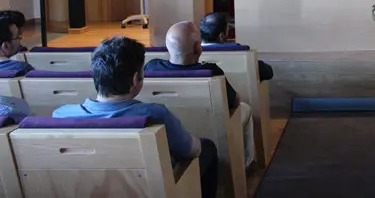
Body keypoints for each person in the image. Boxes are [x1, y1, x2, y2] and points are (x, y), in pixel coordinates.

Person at [53, 36, 218, 198]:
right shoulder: (154, 114)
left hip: (81, 189)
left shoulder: (60, 116)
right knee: (207, 147)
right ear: (135, 80)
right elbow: (191, 149)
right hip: (150, 189)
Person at [145, 21, 256, 168]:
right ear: (198, 47)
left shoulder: (151, 67)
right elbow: (234, 102)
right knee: (245, 108)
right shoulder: (211, 71)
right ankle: (245, 165)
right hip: (213, 127)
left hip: (169, 133)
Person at [199, 12, 273, 82]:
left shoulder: (193, 56)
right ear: (221, 36)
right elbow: (268, 72)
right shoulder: (239, 52)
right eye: (228, 30)